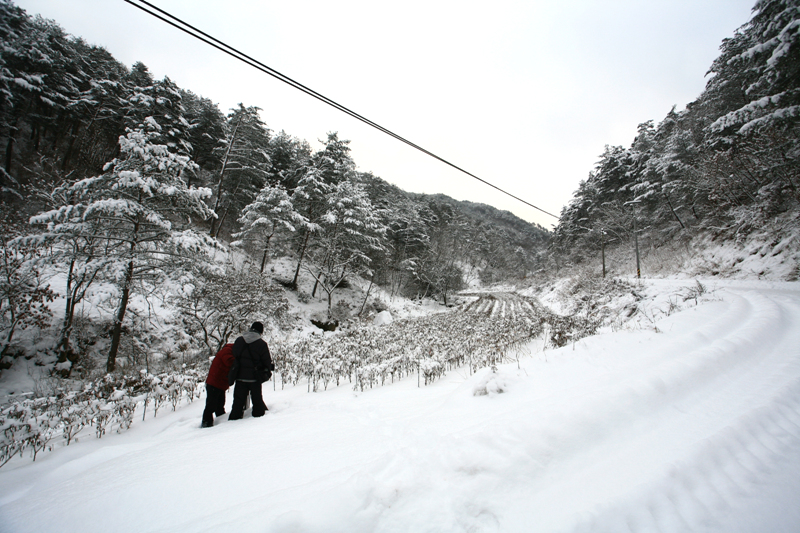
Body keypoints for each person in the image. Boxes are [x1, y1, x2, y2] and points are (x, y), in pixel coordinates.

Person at [228, 321, 273, 420]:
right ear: (260, 332)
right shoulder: (262, 344)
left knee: (237, 403)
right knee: (257, 402)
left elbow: (234, 353)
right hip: (254, 378)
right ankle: (257, 421)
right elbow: (267, 361)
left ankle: (233, 422)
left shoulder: (239, 340)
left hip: (240, 377)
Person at [201, 343, 235, 428]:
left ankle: (220, 423)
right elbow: (230, 362)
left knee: (219, 405)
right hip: (214, 383)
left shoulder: (229, 351)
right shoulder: (227, 351)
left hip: (219, 383)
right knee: (211, 405)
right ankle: (206, 424)